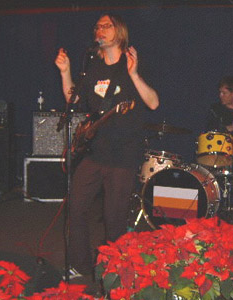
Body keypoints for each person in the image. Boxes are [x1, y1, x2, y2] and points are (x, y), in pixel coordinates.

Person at [54, 13, 159, 278]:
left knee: (114, 220)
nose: (99, 30)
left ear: (119, 31)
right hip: (94, 152)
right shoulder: (92, 67)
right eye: (97, 26)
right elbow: (73, 99)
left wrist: (134, 75)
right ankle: (80, 265)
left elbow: (154, 102)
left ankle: (115, 271)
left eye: (106, 25)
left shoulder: (132, 63)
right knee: (75, 208)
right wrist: (65, 72)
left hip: (123, 155)